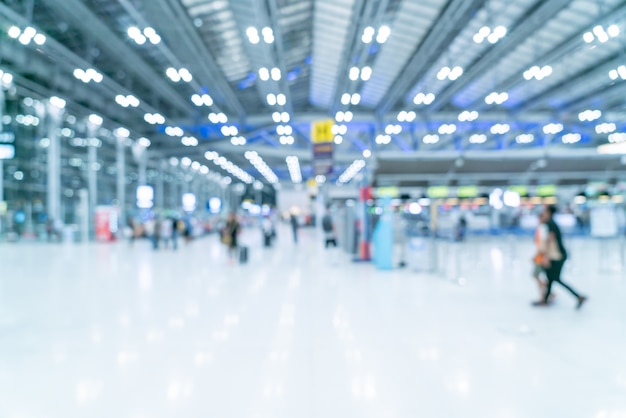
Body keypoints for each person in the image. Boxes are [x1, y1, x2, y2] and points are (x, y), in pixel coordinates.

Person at [533, 205, 587, 309]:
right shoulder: (551, 223)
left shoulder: (549, 224)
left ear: (548, 212)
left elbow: (549, 240)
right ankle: (546, 300)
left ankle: (578, 296)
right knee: (551, 278)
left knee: (554, 278)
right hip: (557, 255)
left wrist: (546, 256)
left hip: (557, 256)